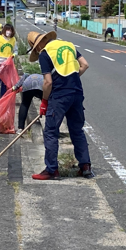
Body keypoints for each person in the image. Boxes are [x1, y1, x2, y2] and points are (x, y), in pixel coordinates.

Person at [26, 30, 93, 180]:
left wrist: (44, 101)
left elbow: (48, 82)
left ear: (36, 46)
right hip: (76, 92)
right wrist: (71, 78)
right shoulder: (68, 45)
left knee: (50, 131)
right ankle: (85, 166)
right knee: (77, 130)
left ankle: (51, 170)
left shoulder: (44, 53)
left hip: (60, 97)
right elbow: (85, 65)